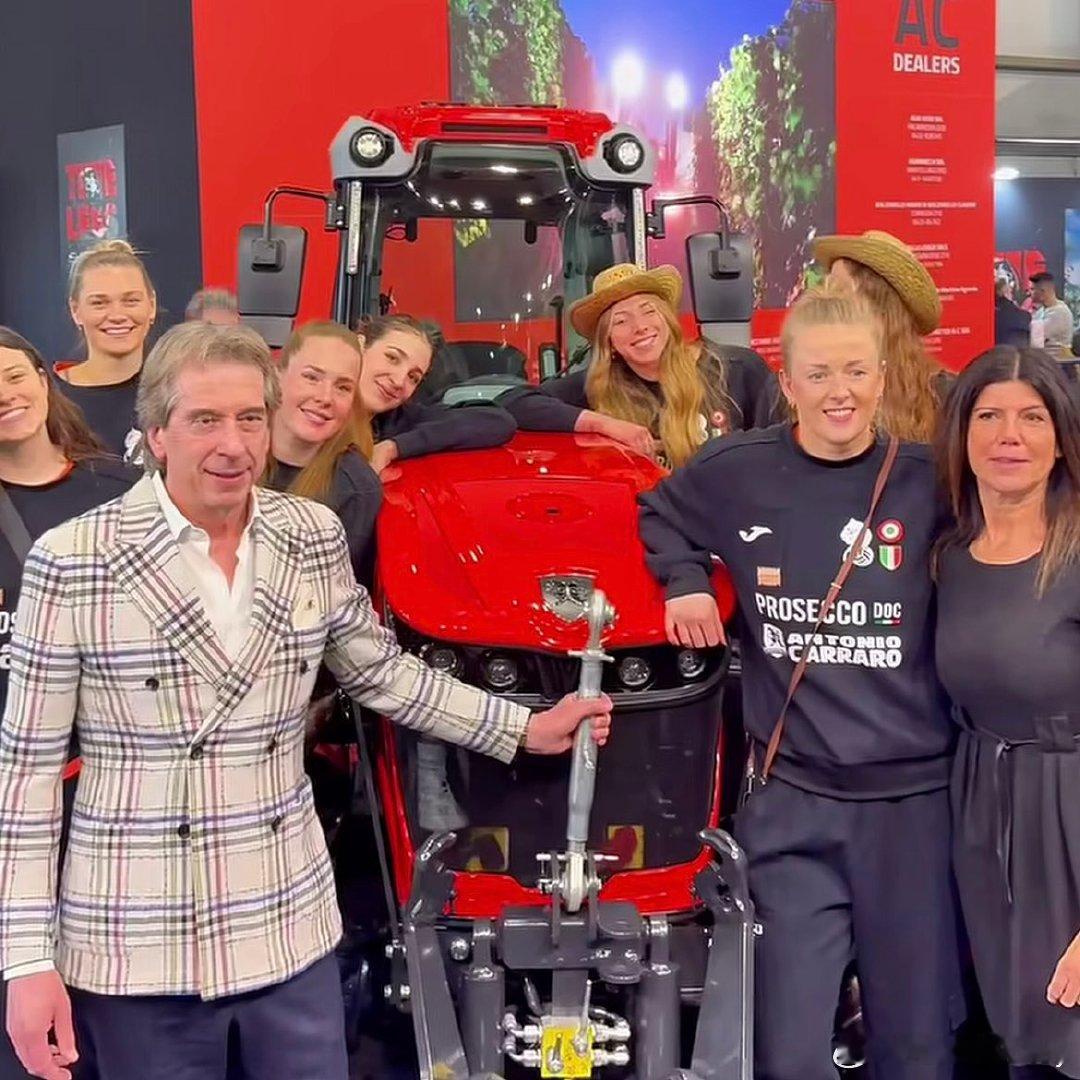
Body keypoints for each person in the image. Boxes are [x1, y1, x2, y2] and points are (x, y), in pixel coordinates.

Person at [0, 321, 611, 1080]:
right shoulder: (74, 559)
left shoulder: (311, 533)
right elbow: (26, 777)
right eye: (205, 420)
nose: (232, 445)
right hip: (138, 945)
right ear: (156, 435)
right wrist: (26, 960)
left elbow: (382, 673)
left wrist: (521, 727)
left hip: (288, 928)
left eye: (249, 419)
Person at [638, 287, 962, 1079]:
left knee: (917, 1047)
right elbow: (658, 511)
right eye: (818, 374)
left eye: (855, 371)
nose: (838, 392)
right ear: (787, 383)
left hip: (912, 807)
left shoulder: (932, 482)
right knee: (785, 1051)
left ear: (882, 377)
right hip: (792, 801)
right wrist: (685, 580)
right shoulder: (738, 470)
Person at [935, 346, 1080, 1079]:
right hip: (983, 821)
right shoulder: (951, 557)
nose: (1009, 436)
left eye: (1033, 417)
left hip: (1071, 821)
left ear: (1062, 437)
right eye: (989, 416)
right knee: (1016, 1046)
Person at [0, 328, 136, 1080]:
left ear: (42, 379)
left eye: (12, 375)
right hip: (12, 796)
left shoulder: (119, 491)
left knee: (112, 1009)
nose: (4, 396)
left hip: (110, 793)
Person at [502, 263, 779, 468]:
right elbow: (514, 403)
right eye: (621, 321)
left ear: (667, 319)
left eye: (648, 311)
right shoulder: (599, 385)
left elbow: (780, 454)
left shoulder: (738, 369)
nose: (640, 327)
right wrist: (607, 425)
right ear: (609, 343)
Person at [266, 320, 379, 586]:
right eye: (312, 377)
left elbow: (336, 596)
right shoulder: (231, 448)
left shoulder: (356, 488)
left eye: (343, 387)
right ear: (278, 375)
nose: (325, 397)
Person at [814, 229, 946, 443]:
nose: (822, 302)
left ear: (875, 307)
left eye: (837, 291)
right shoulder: (796, 389)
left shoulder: (942, 395)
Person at [354, 314, 517, 477]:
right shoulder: (335, 421)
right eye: (392, 358)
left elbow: (498, 421)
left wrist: (393, 447)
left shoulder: (399, 421)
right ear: (359, 345)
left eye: (413, 377)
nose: (399, 381)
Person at [56, 240, 157, 463]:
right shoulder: (48, 398)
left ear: (152, 305)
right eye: (99, 303)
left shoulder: (177, 387)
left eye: (131, 301)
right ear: (75, 311)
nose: (117, 315)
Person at [1029, 272, 1076, 361]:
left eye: (1032, 289)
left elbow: (1034, 340)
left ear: (1043, 291)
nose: (1029, 293)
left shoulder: (1060, 312)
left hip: (1058, 364)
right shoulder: (1041, 311)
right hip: (1043, 361)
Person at [996, 276, 1033, 348]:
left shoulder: (988, 313)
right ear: (1006, 293)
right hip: (1012, 352)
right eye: (1010, 291)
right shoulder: (1020, 316)